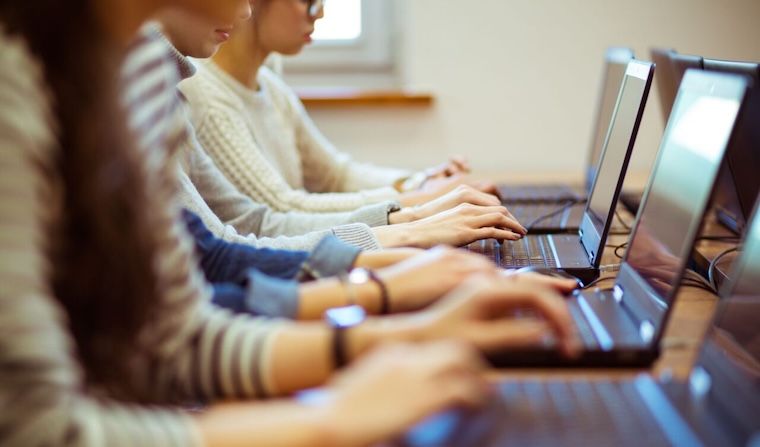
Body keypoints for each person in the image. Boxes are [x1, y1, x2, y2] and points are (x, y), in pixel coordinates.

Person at [0, 1, 578, 446]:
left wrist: (398, 334)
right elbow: (38, 430)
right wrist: (334, 413)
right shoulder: (15, 84)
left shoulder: (144, 70)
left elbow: (177, 338)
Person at [179, 0, 493, 215]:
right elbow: (281, 211)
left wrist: (421, 181)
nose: (320, 14)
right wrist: (422, 199)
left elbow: (335, 175)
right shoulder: (205, 94)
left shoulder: (270, 85)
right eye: (307, 0)